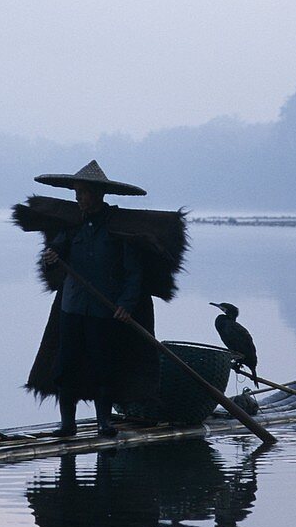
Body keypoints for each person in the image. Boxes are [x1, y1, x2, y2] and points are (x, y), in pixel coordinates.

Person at [12, 160, 187, 436]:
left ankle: (104, 422)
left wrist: (126, 306)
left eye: (82, 192)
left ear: (97, 194)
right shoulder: (72, 226)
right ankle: (67, 424)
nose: (78, 198)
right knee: (65, 365)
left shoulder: (119, 228)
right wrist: (50, 258)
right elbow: (54, 255)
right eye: (76, 193)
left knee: (103, 366)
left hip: (104, 310)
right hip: (71, 307)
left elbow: (133, 273)